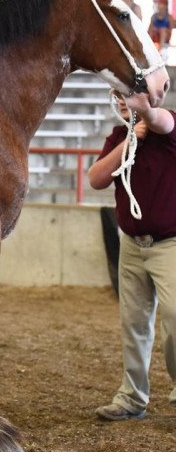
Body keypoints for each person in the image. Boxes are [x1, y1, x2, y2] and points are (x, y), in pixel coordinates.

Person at [88, 92, 176, 421]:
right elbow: (96, 179)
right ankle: (132, 397)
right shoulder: (118, 136)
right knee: (134, 324)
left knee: (175, 317)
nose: (122, 100)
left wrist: (144, 114)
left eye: (129, 94)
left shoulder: (167, 124)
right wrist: (127, 143)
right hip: (132, 245)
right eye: (117, 95)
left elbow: (161, 120)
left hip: (170, 244)